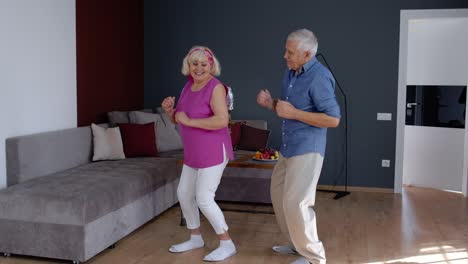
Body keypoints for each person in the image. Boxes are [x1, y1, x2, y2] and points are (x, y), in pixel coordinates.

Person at [257, 29, 341, 264]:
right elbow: (287, 108)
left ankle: (314, 257)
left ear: (307, 54)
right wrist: (270, 103)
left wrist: (293, 112)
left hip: (308, 147)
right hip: (288, 146)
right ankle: (297, 245)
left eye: (290, 52)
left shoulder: (319, 77)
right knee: (279, 196)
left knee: (297, 203)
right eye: (286, 50)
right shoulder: (291, 73)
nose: (285, 55)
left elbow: (333, 119)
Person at [161, 46, 236, 262]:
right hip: (193, 152)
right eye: (195, 63)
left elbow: (222, 120)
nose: (199, 68)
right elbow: (180, 118)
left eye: (204, 64)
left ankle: (227, 243)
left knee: (204, 198)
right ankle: (195, 238)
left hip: (213, 150)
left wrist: (189, 121)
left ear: (211, 66)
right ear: (188, 66)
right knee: (184, 194)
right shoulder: (187, 87)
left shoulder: (216, 88)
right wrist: (170, 112)